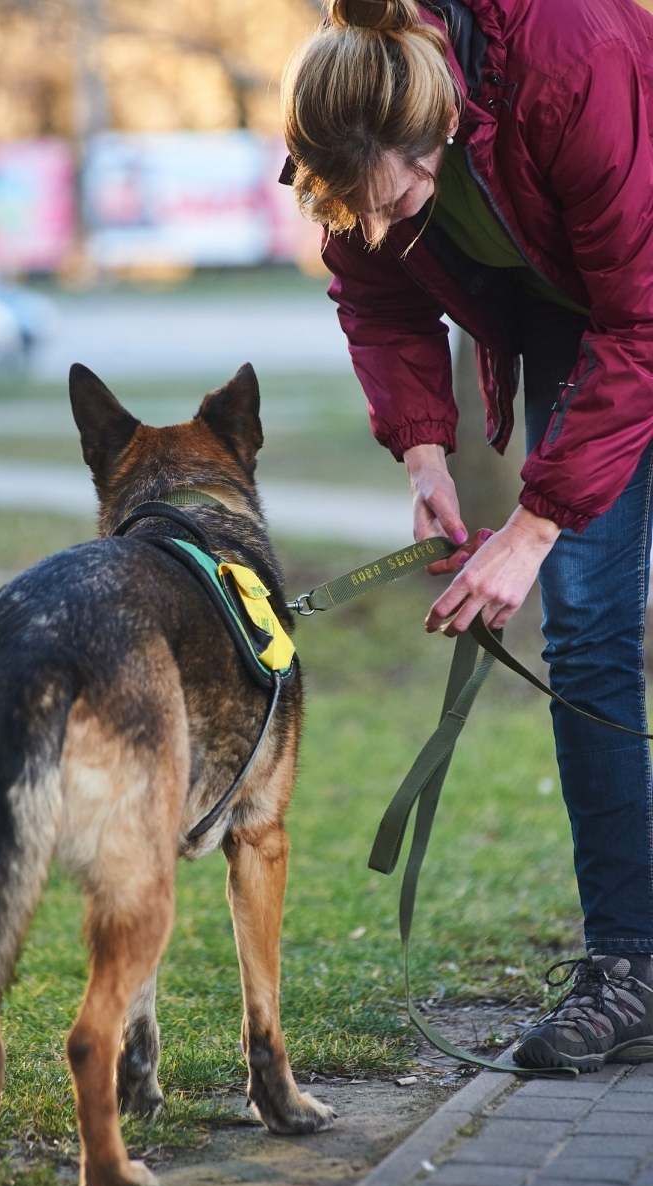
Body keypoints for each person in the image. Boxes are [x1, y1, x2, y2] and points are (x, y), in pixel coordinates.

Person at [280, 0, 653, 1072]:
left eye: (397, 200)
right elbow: (373, 289)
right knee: (584, 628)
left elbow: (640, 319)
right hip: (566, 312)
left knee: (567, 571)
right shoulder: (347, 96)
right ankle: (629, 965)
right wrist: (424, 455)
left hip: (633, 297)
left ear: (439, 127)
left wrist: (532, 524)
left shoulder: (568, 57)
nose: (383, 225)